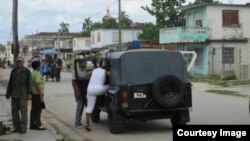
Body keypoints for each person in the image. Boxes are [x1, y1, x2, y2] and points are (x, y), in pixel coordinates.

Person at [5, 56, 32, 134]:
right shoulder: (13, 71)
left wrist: (29, 93)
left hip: (23, 96)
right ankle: (17, 128)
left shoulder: (27, 72)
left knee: (23, 112)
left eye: (20, 61)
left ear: (23, 62)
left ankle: (23, 129)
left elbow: (29, 83)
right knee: (14, 113)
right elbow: (10, 83)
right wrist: (8, 93)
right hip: (14, 96)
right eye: (18, 62)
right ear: (16, 62)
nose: (19, 63)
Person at [84, 60, 110, 131]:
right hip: (99, 89)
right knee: (110, 87)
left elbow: (86, 74)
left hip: (89, 90)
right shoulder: (104, 71)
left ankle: (87, 122)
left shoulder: (94, 70)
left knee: (90, 107)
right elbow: (111, 74)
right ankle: (105, 102)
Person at [72, 61, 92, 128]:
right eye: (84, 63)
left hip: (86, 90)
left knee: (89, 106)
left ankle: (87, 121)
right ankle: (77, 123)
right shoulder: (75, 70)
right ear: (80, 63)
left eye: (86, 63)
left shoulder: (85, 68)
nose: (85, 64)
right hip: (79, 91)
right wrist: (77, 91)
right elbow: (73, 82)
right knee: (80, 107)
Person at [30, 61, 47, 130]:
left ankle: (32, 124)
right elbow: (38, 85)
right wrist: (40, 96)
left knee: (33, 109)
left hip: (34, 93)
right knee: (38, 110)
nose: (40, 67)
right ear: (37, 66)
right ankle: (38, 125)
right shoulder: (37, 73)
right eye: (39, 65)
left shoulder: (33, 73)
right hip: (37, 94)